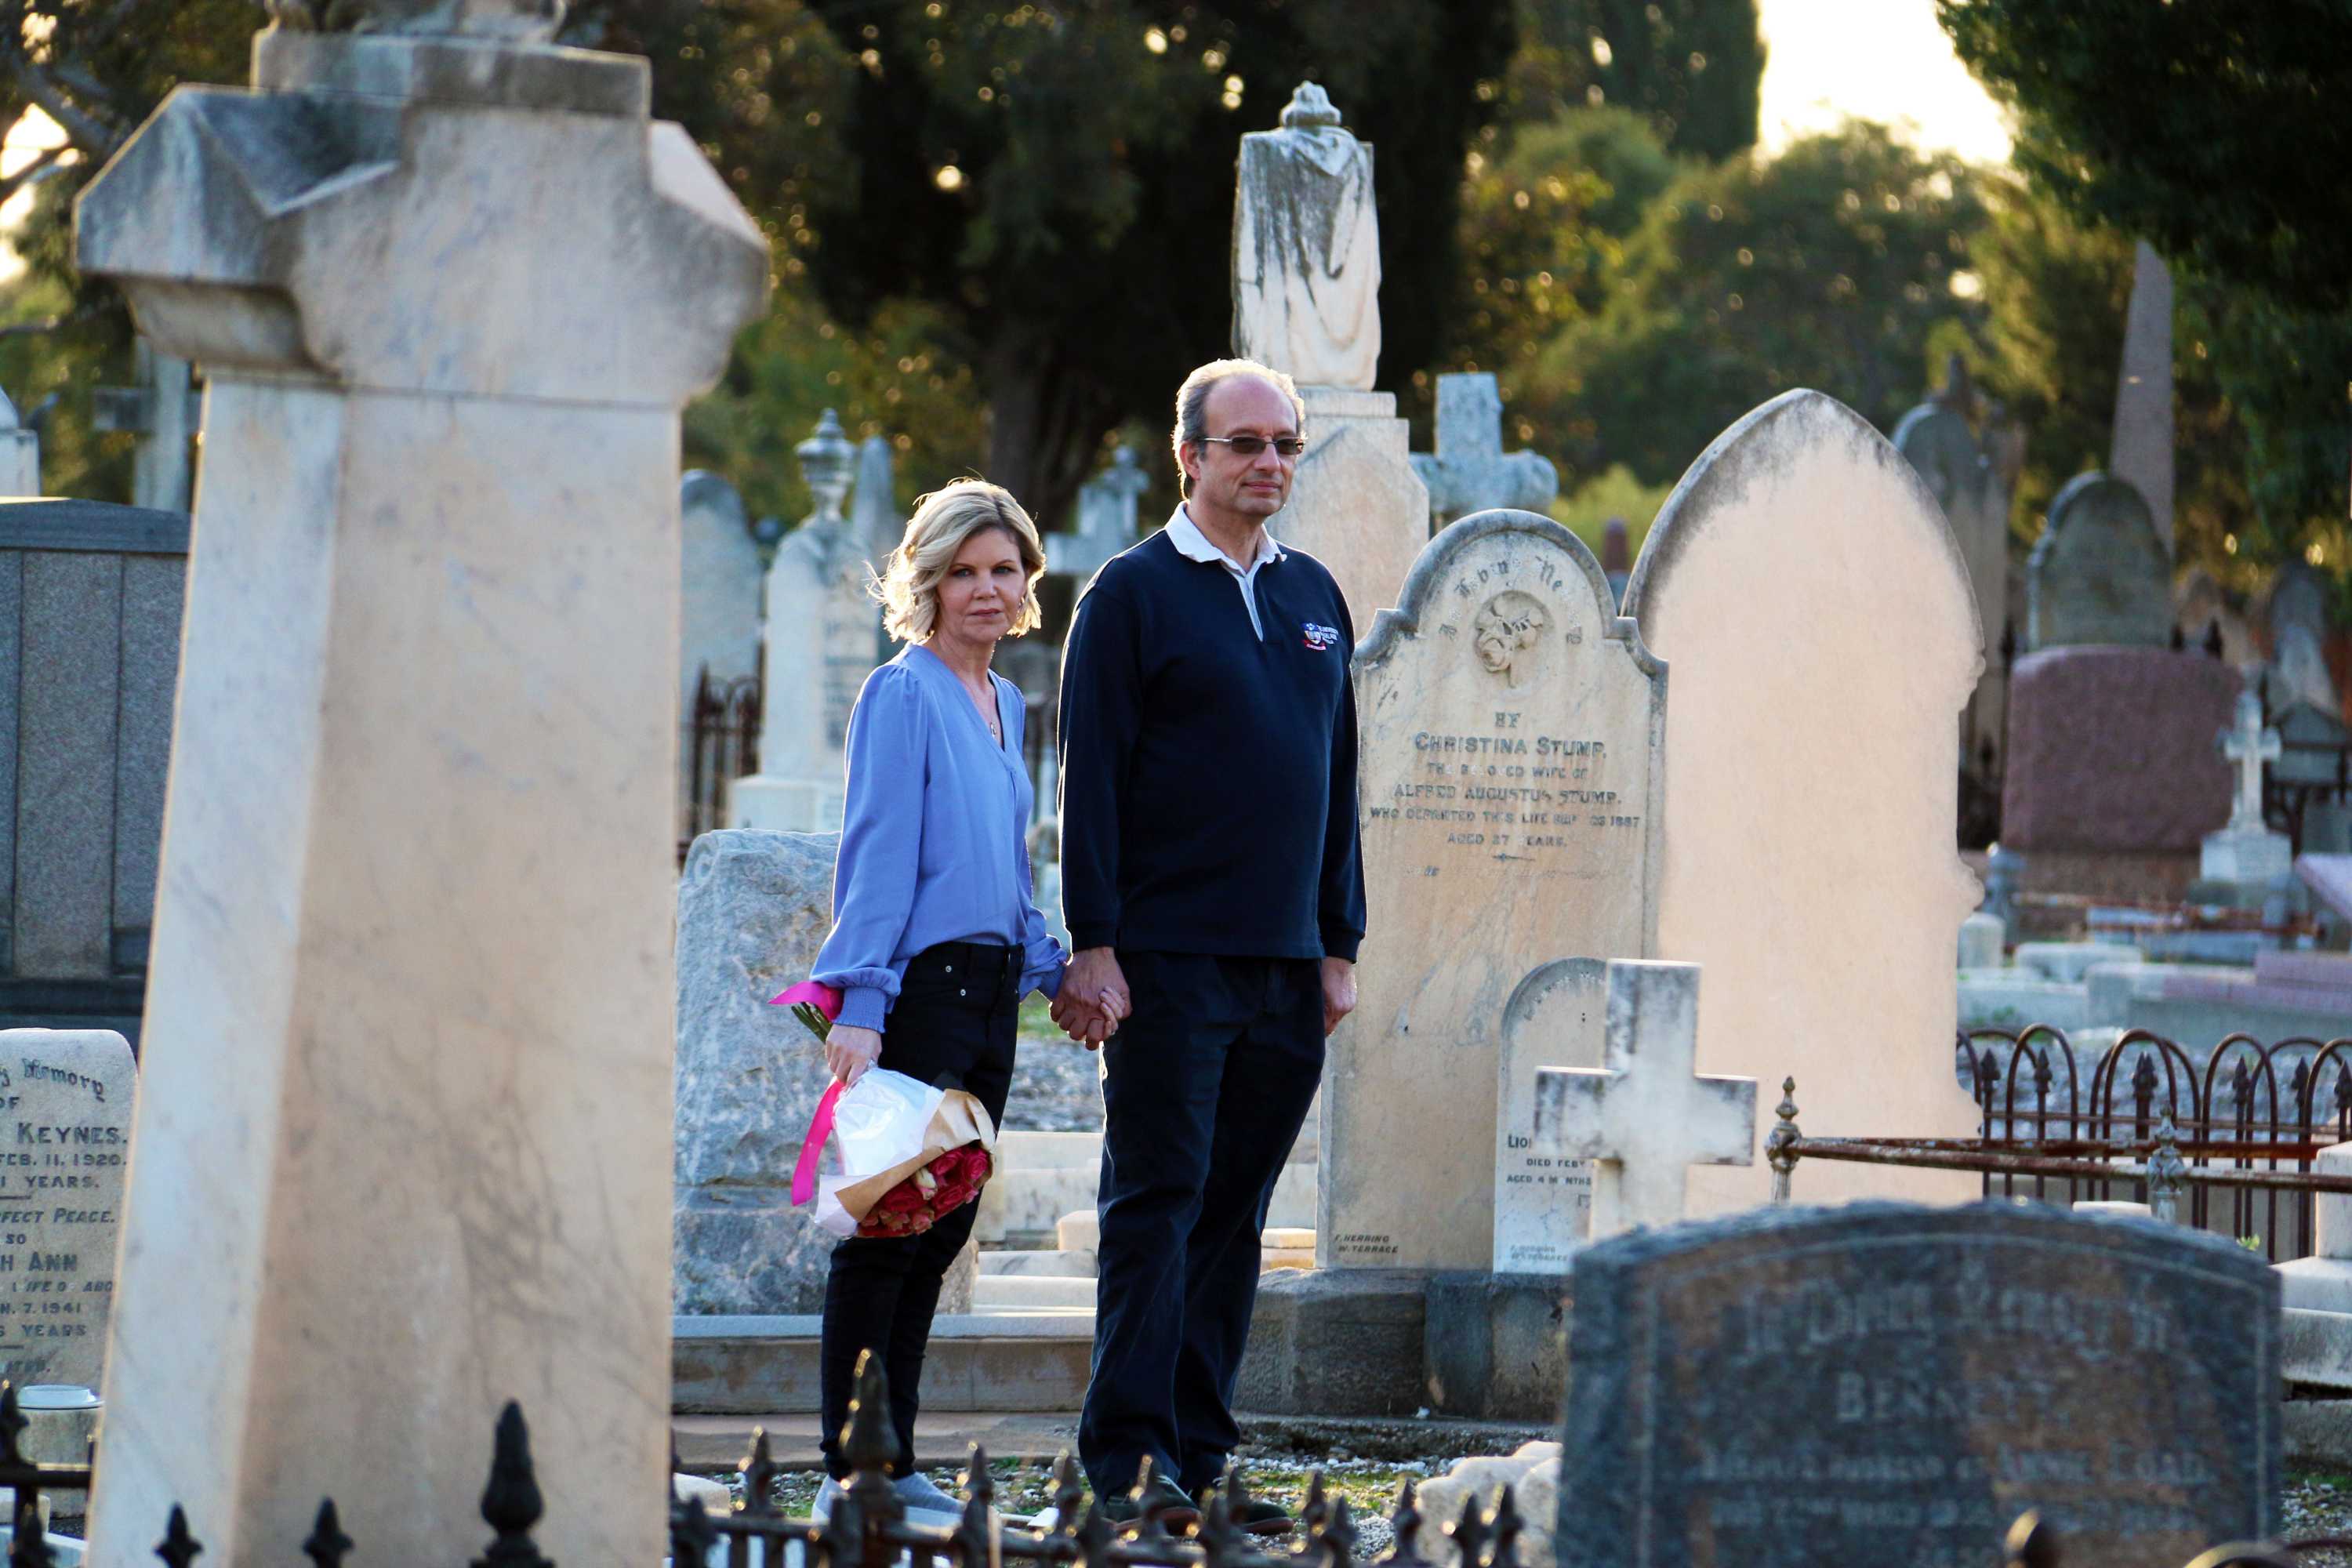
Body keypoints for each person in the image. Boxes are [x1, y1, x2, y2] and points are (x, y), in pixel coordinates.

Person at [1054, 358, 1366, 1530]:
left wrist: (1339, 942)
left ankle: (1201, 1456)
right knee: (1158, 1205)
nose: (1269, 463)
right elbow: (1093, 787)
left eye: (1285, 443)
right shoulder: (1131, 596)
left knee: (1233, 1218)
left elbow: (1340, 784)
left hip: (1287, 969)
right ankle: (1126, 1466)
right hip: (1169, 961)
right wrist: (1095, 944)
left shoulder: (1317, 597)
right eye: (1245, 444)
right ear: (1190, 456)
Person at [806, 479, 1103, 1522]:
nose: (987, 589)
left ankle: (900, 1454)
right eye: (964, 572)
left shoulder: (1007, 702)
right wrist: (861, 1001)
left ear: (1027, 583)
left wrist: (1054, 966)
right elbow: (879, 856)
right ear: (927, 584)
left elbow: (1006, 873)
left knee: (940, 1228)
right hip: (918, 998)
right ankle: (855, 1469)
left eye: (1003, 570)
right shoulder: (904, 693)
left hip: (987, 1003)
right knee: (888, 1228)